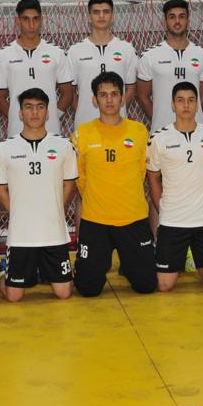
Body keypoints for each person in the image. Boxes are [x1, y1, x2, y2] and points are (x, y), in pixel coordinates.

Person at [71, 71, 156, 297]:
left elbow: (141, 172)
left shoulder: (139, 131)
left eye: (114, 94)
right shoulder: (82, 133)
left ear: (122, 98)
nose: (109, 100)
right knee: (87, 289)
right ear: (94, 100)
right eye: (103, 95)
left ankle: (130, 263)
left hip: (132, 218)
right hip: (96, 220)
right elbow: (80, 177)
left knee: (146, 286)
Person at [0, 88, 77, 302]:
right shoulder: (5, 149)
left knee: (64, 293)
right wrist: (18, 212)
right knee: (13, 296)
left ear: (47, 113)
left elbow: (69, 183)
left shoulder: (64, 146)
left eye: (40, 107)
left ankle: (46, 273)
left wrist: (56, 209)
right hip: (22, 234)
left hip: (54, 232)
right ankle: (4, 272)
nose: (34, 112)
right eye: (28, 107)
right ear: (20, 113)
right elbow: (0, 188)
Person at [147, 81, 203, 292]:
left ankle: (196, 259)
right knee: (164, 285)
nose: (186, 105)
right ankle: (183, 255)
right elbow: (153, 178)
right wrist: (162, 208)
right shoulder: (159, 139)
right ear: (172, 105)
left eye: (191, 100)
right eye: (180, 100)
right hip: (173, 219)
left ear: (197, 104)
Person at [0, 0, 73, 138]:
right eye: (26, 19)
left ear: (41, 20)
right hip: (17, 131)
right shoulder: (4, 55)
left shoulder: (57, 53)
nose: (31, 25)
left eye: (35, 19)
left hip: (50, 130)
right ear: (17, 21)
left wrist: (52, 115)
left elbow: (68, 93)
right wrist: (18, 117)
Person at [136, 0, 203, 133]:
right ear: (164, 22)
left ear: (188, 21)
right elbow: (142, 95)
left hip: (196, 132)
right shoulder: (150, 56)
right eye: (172, 17)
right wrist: (159, 119)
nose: (177, 21)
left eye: (181, 16)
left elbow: (202, 96)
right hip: (162, 132)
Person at [67, 0, 138, 130]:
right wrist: (84, 110)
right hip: (85, 126)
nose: (101, 16)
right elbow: (70, 92)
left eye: (106, 12)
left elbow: (131, 89)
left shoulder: (126, 49)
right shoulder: (75, 51)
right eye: (96, 12)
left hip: (118, 126)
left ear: (113, 16)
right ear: (89, 17)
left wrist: (113, 109)